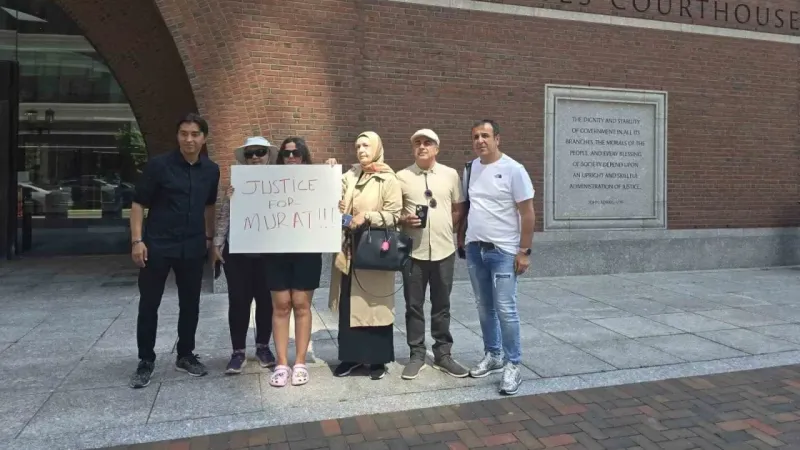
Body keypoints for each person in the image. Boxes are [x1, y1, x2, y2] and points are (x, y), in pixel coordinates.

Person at [128, 113, 221, 389]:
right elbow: (137, 204)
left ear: (204, 138)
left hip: (192, 246)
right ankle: (146, 360)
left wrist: (209, 237)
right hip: (156, 245)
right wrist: (137, 241)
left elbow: (209, 206)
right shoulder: (159, 166)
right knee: (149, 304)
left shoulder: (211, 170)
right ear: (177, 136)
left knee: (190, 304)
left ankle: (186, 355)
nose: (189, 139)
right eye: (184, 133)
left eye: (195, 134)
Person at [459, 119, 535, 396]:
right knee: (484, 306)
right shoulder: (470, 168)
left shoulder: (514, 170)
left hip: (503, 251)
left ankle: (513, 363)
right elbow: (468, 207)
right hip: (476, 249)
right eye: (476, 136)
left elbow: (527, 213)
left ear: (497, 139)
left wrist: (524, 251)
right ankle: (493, 355)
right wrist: (462, 240)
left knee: (505, 307)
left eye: (485, 136)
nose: (480, 140)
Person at [327, 131, 402, 381]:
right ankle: (351, 357)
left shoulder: (388, 178)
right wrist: (328, 174)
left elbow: (394, 215)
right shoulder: (349, 175)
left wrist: (368, 216)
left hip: (374, 248)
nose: (360, 149)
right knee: (350, 304)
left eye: (366, 145)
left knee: (375, 305)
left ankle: (377, 359)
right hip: (349, 250)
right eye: (357, 145)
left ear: (377, 147)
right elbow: (331, 196)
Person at [396, 129, 468, 380]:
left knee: (442, 305)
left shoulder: (450, 174)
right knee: (413, 306)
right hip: (413, 253)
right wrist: (404, 219)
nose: (422, 147)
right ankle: (416, 354)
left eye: (428, 143)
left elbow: (458, 208)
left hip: (444, 250)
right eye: (417, 143)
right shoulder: (401, 176)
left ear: (437, 148)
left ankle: (442, 354)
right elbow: (393, 212)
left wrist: (447, 228)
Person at [211, 136, 280, 375]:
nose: (254, 157)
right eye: (249, 154)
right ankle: (237, 351)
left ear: (268, 155)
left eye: (259, 152)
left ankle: (263, 347)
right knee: (238, 302)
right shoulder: (236, 183)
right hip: (238, 253)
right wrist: (217, 243)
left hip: (268, 254)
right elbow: (223, 216)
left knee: (265, 302)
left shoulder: (281, 181)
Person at [266, 137, 324, 387]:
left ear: (304, 154)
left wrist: (332, 173)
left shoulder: (318, 181)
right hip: (276, 250)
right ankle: (281, 362)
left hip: (307, 249)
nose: (291, 158)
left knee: (301, 304)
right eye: (286, 154)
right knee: (281, 305)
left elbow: (331, 203)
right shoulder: (268, 182)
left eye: (296, 152)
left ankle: (299, 361)